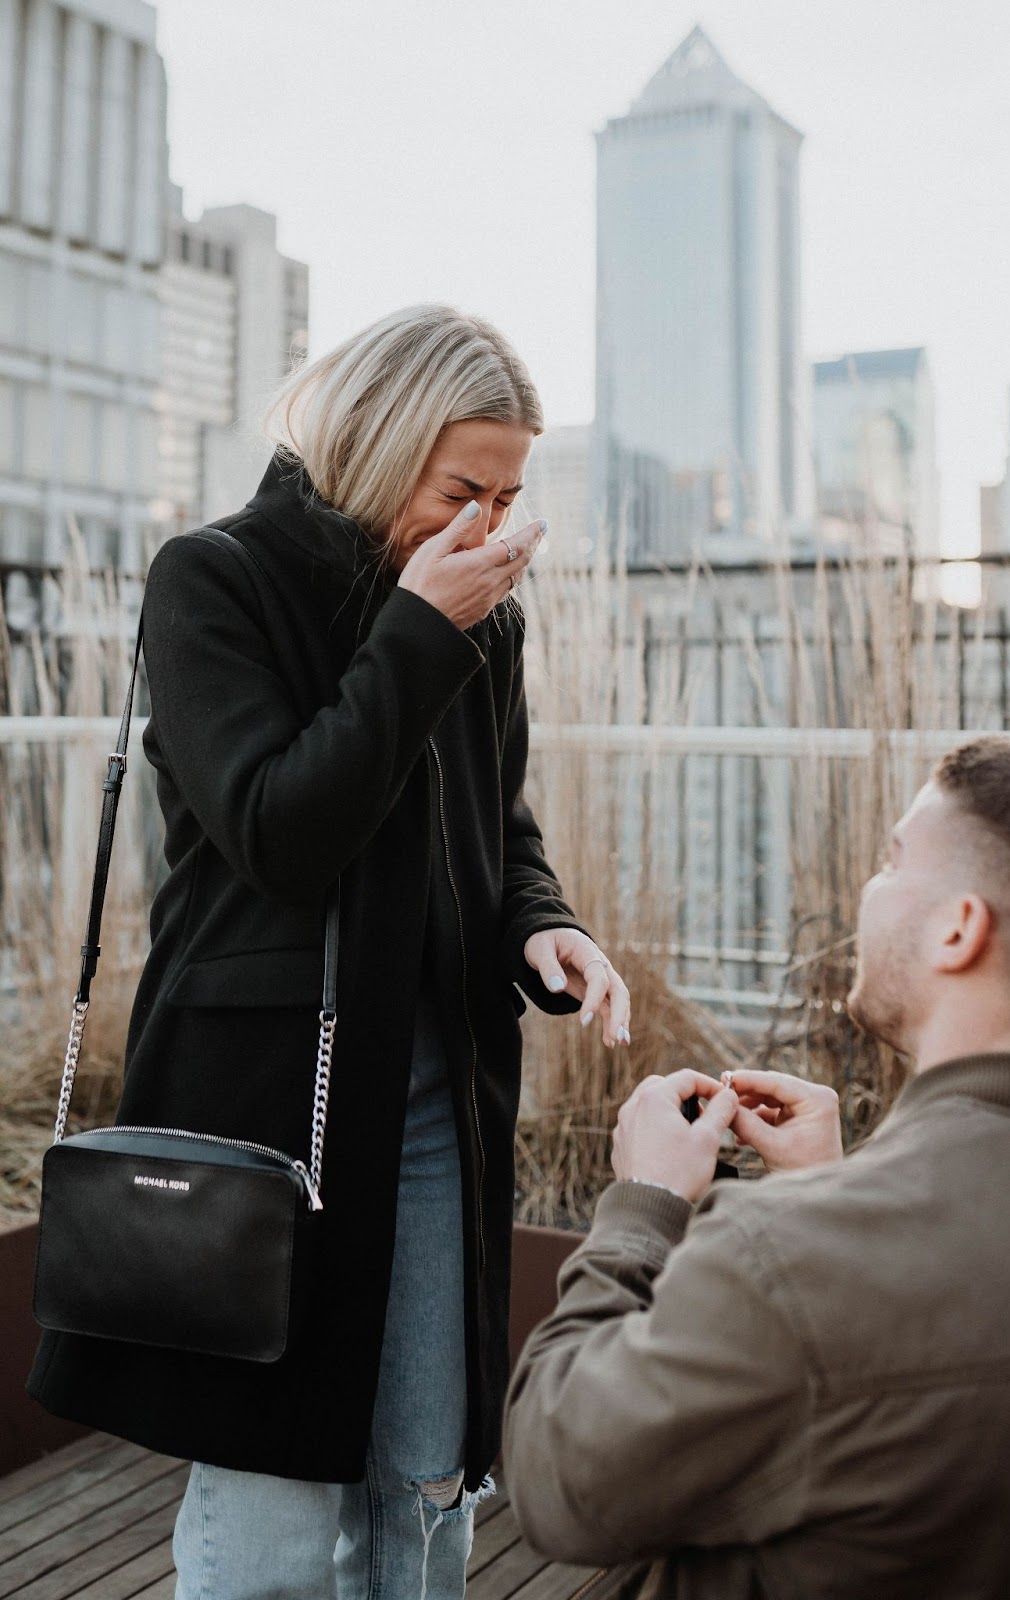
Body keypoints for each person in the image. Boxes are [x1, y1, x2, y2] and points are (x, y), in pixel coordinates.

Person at [28, 304, 631, 1600]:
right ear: (378, 442)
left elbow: (496, 821)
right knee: (273, 1511)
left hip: (434, 1104)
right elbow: (278, 830)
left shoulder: (484, 619)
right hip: (259, 1118)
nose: (489, 522)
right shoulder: (216, 578)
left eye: (513, 492)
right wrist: (419, 634)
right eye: (463, 486)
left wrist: (547, 924)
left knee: (422, 1484)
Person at [504, 736, 1010, 1600]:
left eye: (890, 861)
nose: (867, 887)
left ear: (959, 927)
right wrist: (830, 1187)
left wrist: (642, 1205)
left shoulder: (788, 1257)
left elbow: (559, 1479)